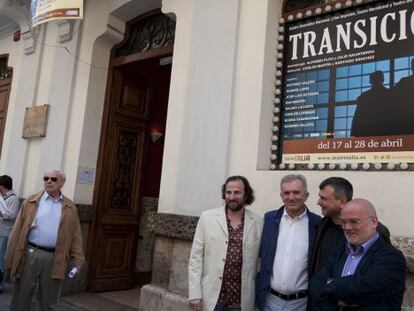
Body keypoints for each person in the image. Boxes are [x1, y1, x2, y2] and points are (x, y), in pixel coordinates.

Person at [6, 169, 85, 311]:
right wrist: (10, 257)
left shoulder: (69, 207)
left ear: (62, 183)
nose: (49, 181)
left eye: (53, 179)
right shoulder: (30, 201)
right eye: (46, 178)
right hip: (30, 253)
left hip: (55, 257)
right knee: (23, 295)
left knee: (48, 298)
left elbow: (76, 236)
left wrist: (78, 260)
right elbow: (17, 231)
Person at [309, 199, 406, 310]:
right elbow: (315, 283)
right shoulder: (339, 251)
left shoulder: (392, 258)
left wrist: (329, 285)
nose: (347, 227)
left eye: (354, 221)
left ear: (373, 222)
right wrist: (337, 296)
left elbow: (359, 289)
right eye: (344, 222)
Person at [188, 175, 263, 311]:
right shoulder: (207, 218)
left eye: (237, 192)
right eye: (228, 192)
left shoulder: (258, 222)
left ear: (246, 195)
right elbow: (195, 258)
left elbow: (260, 262)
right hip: (212, 298)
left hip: (241, 301)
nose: (232, 196)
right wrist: (194, 294)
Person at [256, 174, 321, 311]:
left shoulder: (317, 224)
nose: (291, 197)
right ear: (281, 196)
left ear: (306, 195)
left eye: (296, 192)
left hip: (301, 303)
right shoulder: (269, 219)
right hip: (269, 300)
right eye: (286, 193)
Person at [310, 177, 390, 276]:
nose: (318, 202)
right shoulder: (321, 225)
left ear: (342, 201)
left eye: (323, 198)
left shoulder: (375, 231)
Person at [351, 71, 390, 137]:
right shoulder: (389, 93)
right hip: (385, 130)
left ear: (370, 81)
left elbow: (358, 116)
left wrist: (355, 133)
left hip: (367, 131)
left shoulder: (364, 96)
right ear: (383, 80)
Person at [0, 175, 20, 288]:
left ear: (2, 186)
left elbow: (12, 215)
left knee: (1, 261)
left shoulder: (13, 198)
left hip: (4, 233)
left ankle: (1, 285)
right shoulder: (2, 197)